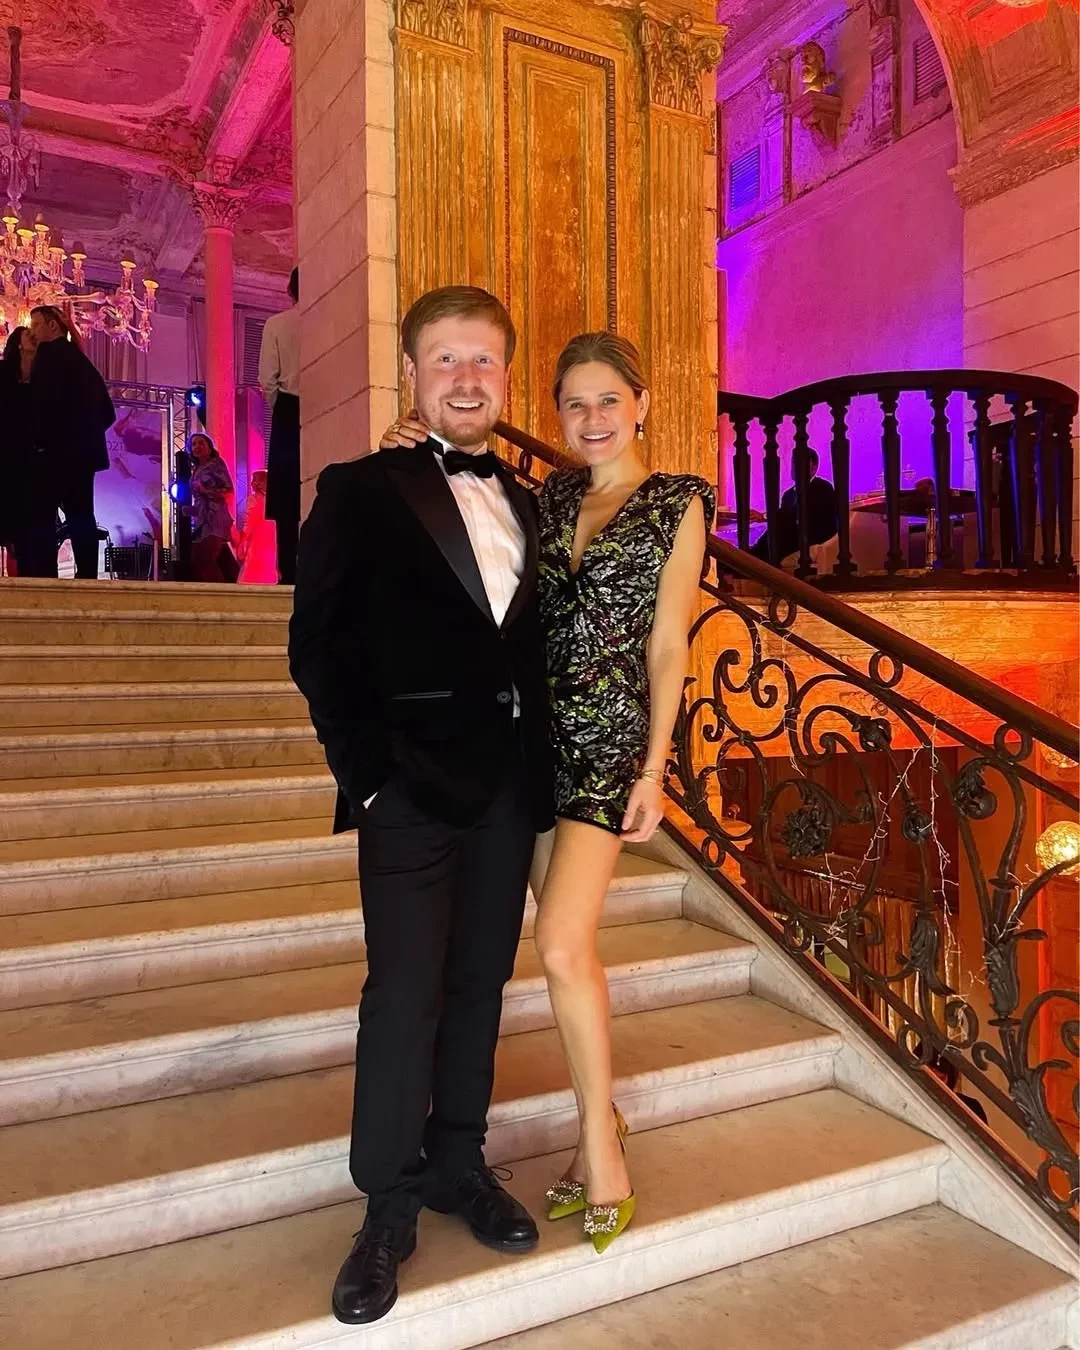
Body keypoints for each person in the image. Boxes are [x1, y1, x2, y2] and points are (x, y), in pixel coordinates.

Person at [379, 332, 712, 1258]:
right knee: (564, 948)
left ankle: (601, 1146)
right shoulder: (548, 496)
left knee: (561, 943)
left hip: (605, 748)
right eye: (574, 404)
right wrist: (410, 439)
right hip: (527, 746)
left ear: (642, 404)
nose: (591, 419)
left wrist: (655, 768)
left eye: (608, 401)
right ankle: (601, 1123)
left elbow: (669, 646)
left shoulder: (678, 502)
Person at [289, 286, 554, 1327]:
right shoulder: (359, 489)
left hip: (508, 786)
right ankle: (387, 1205)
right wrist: (366, 775)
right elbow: (319, 645)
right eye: (446, 359)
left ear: (505, 375)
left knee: (481, 984)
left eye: (483, 359)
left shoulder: (532, 501)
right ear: (412, 374)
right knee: (404, 995)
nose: (467, 378)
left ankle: (458, 1164)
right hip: (406, 786)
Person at [28, 304, 115, 579]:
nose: (32, 331)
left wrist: (41, 442)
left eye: (36, 324)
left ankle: (46, 578)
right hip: (84, 456)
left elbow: (42, 405)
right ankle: (87, 575)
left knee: (43, 515)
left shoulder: (47, 355)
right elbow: (108, 412)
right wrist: (85, 436)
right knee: (82, 515)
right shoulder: (81, 361)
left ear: (52, 326)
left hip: (55, 453)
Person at [0, 326, 57, 577]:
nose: (33, 334)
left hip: (38, 458)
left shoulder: (46, 374)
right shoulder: (3, 373)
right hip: (8, 456)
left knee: (38, 520)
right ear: (18, 343)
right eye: (27, 333)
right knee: (12, 516)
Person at [259, 266, 300, 585]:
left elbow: (267, 378)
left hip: (288, 406)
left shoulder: (277, 324)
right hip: (328, 406)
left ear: (290, 290)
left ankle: (288, 572)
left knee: (286, 497)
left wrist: (281, 408)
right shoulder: (328, 323)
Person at [749, 447, 838, 563]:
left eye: (800, 463)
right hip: (792, 535)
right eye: (794, 462)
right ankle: (752, 556)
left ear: (813, 468)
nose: (795, 467)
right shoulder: (788, 494)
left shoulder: (823, 487)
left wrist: (765, 516)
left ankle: (754, 557)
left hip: (813, 535)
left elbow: (800, 512)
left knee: (779, 533)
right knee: (776, 531)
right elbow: (783, 518)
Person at [188, 432, 236, 583]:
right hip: (202, 519)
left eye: (201, 443)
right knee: (203, 561)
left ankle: (218, 593)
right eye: (194, 444)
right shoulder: (197, 469)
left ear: (210, 447)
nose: (197, 446)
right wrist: (191, 510)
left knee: (204, 561)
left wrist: (206, 491)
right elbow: (200, 498)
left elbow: (228, 490)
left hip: (215, 518)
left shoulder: (216, 464)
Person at [237, 469, 277, 584]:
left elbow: (248, 522)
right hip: (272, 540)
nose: (251, 484)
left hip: (257, 540)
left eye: (254, 480)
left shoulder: (253, 499)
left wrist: (242, 542)